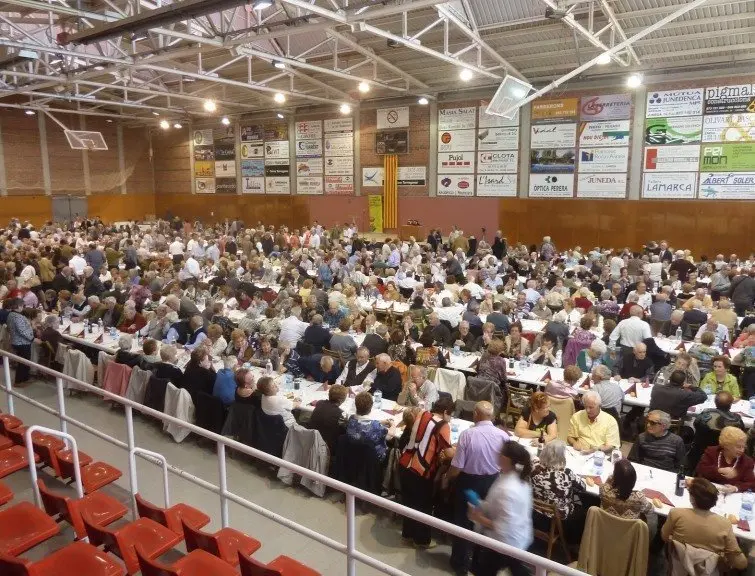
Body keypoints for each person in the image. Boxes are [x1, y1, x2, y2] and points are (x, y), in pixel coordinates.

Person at [446, 401, 510, 575]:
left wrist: (447, 478)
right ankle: (479, 565)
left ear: (475, 414)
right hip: (491, 484)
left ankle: (460, 563)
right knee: (484, 524)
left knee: (463, 523)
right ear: (492, 416)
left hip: (469, 484)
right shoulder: (503, 436)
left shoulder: (467, 435)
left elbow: (457, 467)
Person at [467, 441, 533, 576]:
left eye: (500, 452)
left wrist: (478, 517)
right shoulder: (514, 478)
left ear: (505, 459)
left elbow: (504, 526)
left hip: (506, 542)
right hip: (516, 538)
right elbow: (496, 507)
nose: (497, 454)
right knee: (512, 567)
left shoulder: (508, 488)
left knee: (486, 569)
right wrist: (480, 504)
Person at [398, 396, 455, 548]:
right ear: (445, 412)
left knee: (408, 503)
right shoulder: (443, 425)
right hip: (422, 470)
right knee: (423, 507)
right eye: (450, 414)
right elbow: (448, 453)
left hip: (405, 463)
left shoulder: (422, 414)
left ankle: (407, 535)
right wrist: (456, 448)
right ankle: (421, 541)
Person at [661, 477, 748, 571]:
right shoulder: (725, 524)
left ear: (692, 498)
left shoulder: (675, 513)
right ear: (715, 500)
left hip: (679, 567)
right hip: (708, 570)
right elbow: (740, 563)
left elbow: (664, 537)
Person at [530, 439, 586, 540]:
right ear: (562, 456)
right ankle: (574, 542)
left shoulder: (535, 467)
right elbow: (583, 487)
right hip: (556, 521)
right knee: (583, 507)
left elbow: (533, 458)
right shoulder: (567, 473)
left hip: (534, 515)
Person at [688, 391, 745, 471]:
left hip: (700, 452)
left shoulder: (705, 414)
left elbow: (695, 425)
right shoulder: (737, 420)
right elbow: (740, 434)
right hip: (725, 455)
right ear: (731, 404)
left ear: (715, 402)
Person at [696, 426, 755, 493]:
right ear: (727, 445)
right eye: (738, 447)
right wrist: (719, 470)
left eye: (743, 447)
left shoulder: (747, 462)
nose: (742, 450)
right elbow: (701, 469)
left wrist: (735, 488)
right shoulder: (711, 452)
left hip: (731, 497)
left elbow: (751, 483)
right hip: (707, 492)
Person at [345, 392, 391, 461]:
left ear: (356, 405)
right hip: (372, 458)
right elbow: (390, 436)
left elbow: (363, 422)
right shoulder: (376, 426)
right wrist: (392, 424)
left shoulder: (351, 419)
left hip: (353, 454)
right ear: (371, 406)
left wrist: (380, 422)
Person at [308, 383, 348, 456]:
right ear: (341, 400)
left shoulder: (319, 403)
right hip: (327, 446)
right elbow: (345, 431)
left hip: (312, 440)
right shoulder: (341, 414)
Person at [6, 298, 37, 384]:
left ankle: (24, 379)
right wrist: (33, 339)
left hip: (16, 340)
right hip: (22, 342)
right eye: (22, 306)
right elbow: (22, 331)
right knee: (24, 362)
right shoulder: (18, 317)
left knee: (23, 362)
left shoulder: (11, 314)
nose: (23, 308)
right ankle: (19, 381)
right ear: (19, 306)